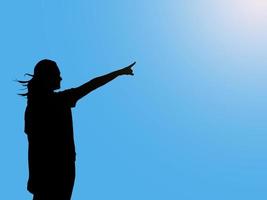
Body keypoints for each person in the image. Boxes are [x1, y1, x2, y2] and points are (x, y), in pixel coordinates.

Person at [19, 59, 135, 200]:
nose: (61, 77)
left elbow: (34, 146)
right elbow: (91, 85)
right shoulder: (59, 101)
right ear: (48, 77)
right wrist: (119, 73)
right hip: (58, 174)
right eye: (57, 74)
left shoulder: (32, 108)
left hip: (42, 179)